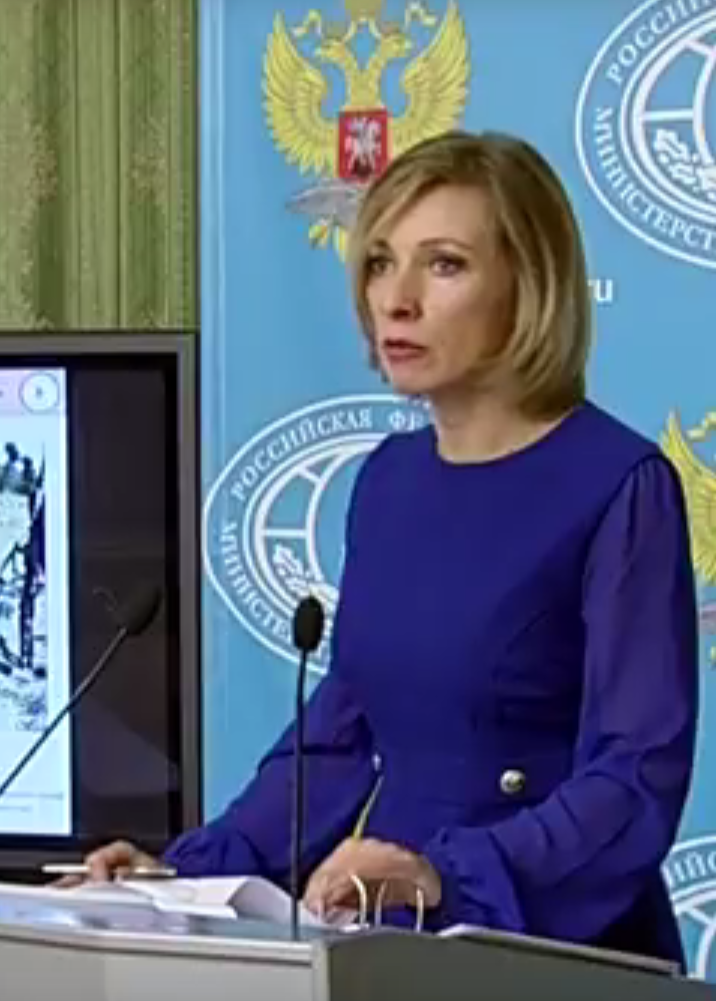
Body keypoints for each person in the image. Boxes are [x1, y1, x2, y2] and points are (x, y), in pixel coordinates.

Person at [72, 131, 700, 967]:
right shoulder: (387, 479)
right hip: (388, 936)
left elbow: (635, 773)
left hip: (551, 944)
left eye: (442, 264)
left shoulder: (618, 483)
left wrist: (448, 875)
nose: (395, 300)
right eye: (378, 263)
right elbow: (341, 735)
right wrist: (183, 874)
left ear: (529, 283)